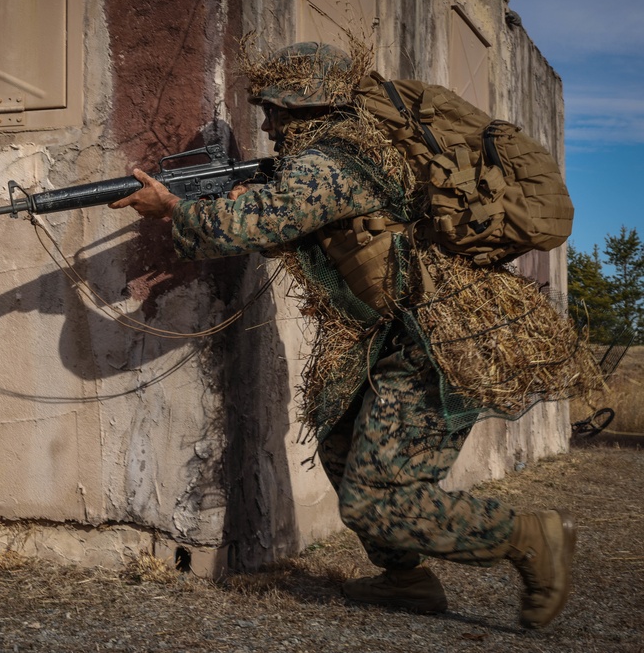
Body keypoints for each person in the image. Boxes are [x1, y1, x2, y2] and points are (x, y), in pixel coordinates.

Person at [108, 42, 576, 629]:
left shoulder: (333, 160)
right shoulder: (353, 151)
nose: (270, 125)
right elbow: (319, 230)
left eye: (277, 110)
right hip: (399, 332)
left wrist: (172, 208)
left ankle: (529, 538)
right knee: (340, 445)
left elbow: (250, 224)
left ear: (308, 108)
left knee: (376, 495)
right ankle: (407, 580)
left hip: (437, 340)